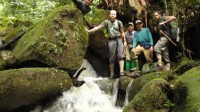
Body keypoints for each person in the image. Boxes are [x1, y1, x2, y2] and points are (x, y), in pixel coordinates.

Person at [87, 10, 127, 78]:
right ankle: (112, 73)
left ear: (116, 15)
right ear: (109, 15)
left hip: (119, 39)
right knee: (112, 57)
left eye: (114, 14)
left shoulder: (119, 22)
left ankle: (121, 72)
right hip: (111, 40)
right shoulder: (106, 22)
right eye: (112, 14)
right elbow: (97, 28)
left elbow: (122, 32)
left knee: (121, 55)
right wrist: (89, 31)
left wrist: (125, 41)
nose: (113, 15)